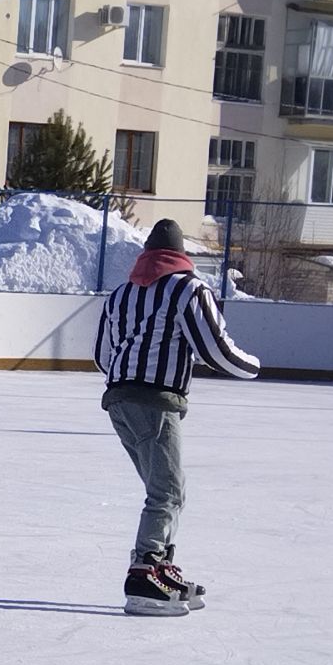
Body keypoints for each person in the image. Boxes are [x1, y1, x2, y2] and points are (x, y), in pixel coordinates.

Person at [95, 217, 259, 616]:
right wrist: (252, 366)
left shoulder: (121, 294)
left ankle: (160, 566)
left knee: (168, 489)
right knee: (166, 491)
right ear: (181, 255)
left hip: (119, 399)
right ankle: (144, 574)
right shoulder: (188, 289)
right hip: (156, 401)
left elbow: (103, 354)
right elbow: (215, 347)